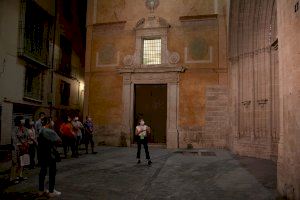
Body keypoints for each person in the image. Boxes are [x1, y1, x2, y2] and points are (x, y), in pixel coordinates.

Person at [38, 117, 62, 197]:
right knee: (52, 172)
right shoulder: (50, 131)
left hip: (42, 154)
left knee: (42, 172)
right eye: (51, 121)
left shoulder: (41, 130)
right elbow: (59, 141)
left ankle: (41, 190)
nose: (52, 122)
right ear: (48, 122)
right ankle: (51, 191)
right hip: (50, 154)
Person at [10, 117, 30, 184]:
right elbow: (14, 139)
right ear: (18, 121)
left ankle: (20, 175)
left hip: (24, 148)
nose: (23, 121)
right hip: (16, 148)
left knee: (22, 162)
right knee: (15, 163)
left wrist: (27, 143)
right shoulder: (14, 129)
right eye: (22, 120)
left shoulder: (25, 129)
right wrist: (20, 144)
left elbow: (27, 137)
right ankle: (13, 178)